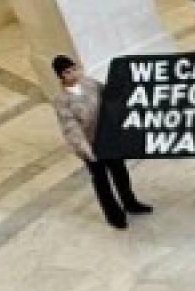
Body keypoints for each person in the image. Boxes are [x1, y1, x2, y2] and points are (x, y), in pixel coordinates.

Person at [52, 56, 151, 230]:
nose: (73, 74)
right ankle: (114, 216)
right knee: (102, 181)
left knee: (120, 172)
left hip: (107, 138)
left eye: (74, 68)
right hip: (89, 145)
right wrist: (86, 150)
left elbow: (110, 96)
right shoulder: (62, 100)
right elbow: (70, 127)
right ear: (61, 77)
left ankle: (130, 203)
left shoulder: (90, 83)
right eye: (67, 72)